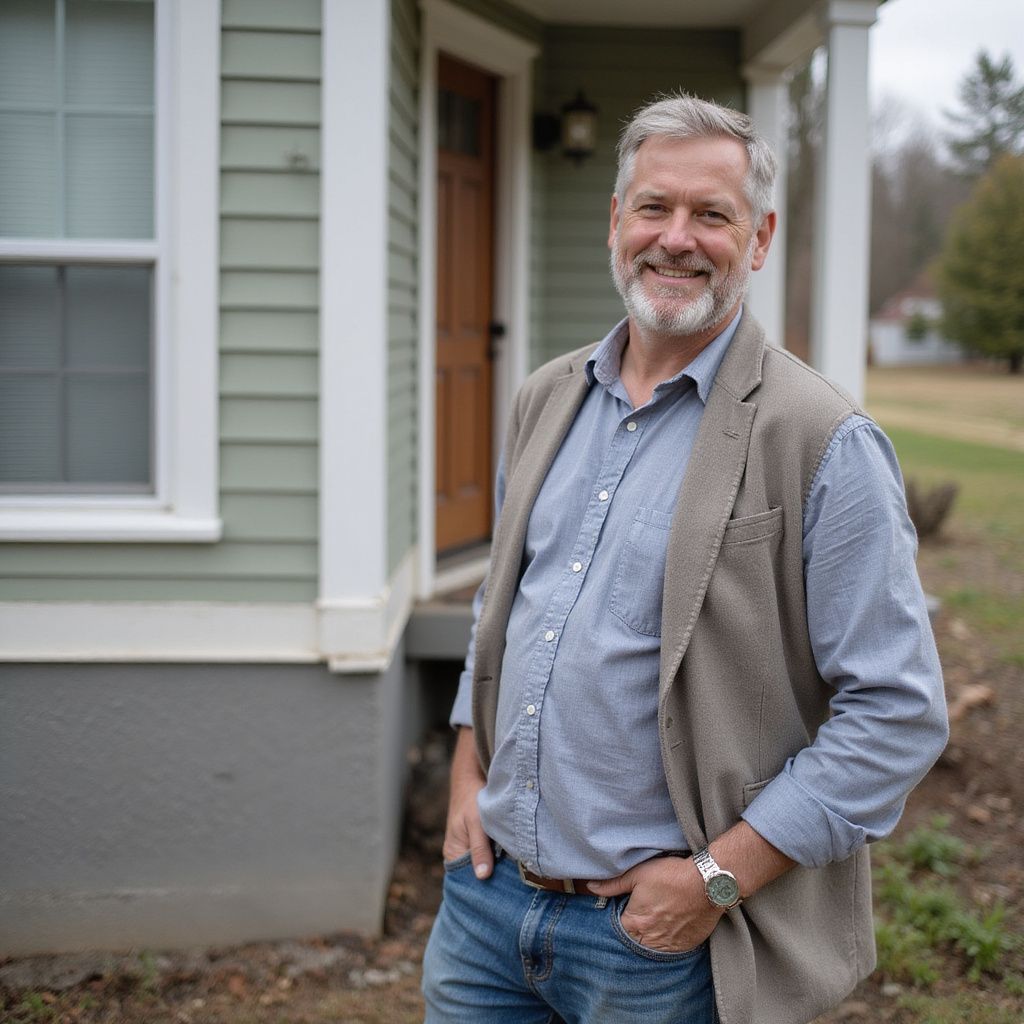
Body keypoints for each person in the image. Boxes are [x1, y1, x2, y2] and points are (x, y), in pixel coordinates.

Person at [421, 93, 948, 1024]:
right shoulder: (547, 398)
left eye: (712, 214)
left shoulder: (821, 438)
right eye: (654, 208)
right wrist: (469, 771)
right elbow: (504, 610)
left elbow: (897, 711)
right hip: (485, 910)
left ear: (760, 237)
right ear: (615, 220)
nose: (677, 238)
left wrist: (715, 879)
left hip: (654, 946)